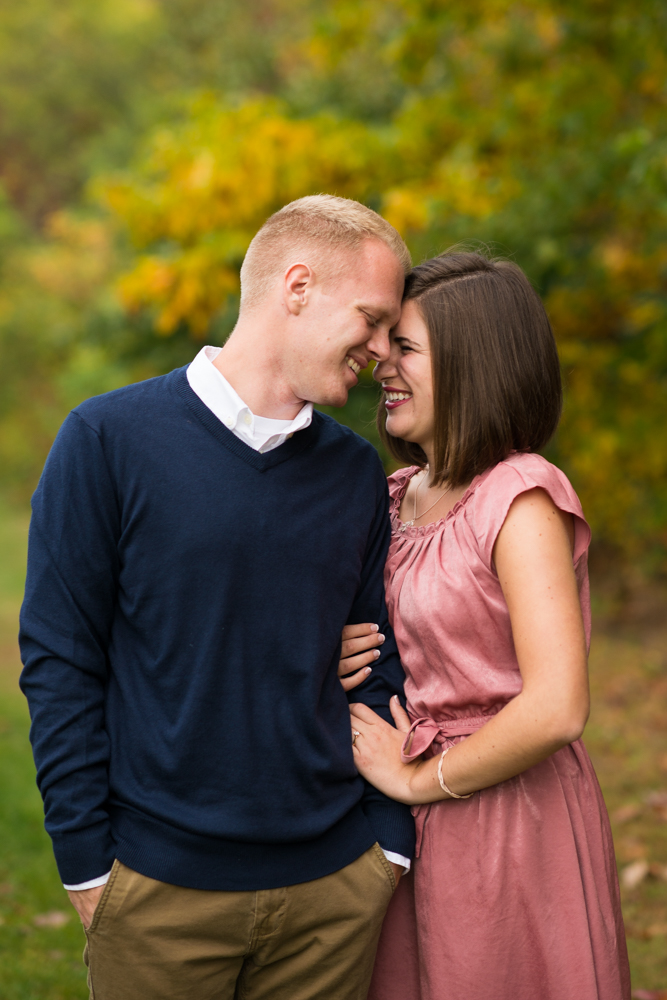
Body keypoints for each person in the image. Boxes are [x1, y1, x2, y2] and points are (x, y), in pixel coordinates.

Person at [18, 194, 416, 1000]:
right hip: (159, 894)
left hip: (334, 891)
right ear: (296, 287)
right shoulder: (106, 441)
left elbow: (377, 661)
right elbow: (61, 662)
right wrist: (87, 866)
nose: (381, 352)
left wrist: (387, 849)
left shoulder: (352, 473)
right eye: (371, 320)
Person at [343, 251, 631, 1000]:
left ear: (473, 363)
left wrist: (417, 780)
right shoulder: (396, 494)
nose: (382, 363)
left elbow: (555, 707)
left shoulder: (518, 497)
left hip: (506, 815)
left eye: (405, 347)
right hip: (405, 815)